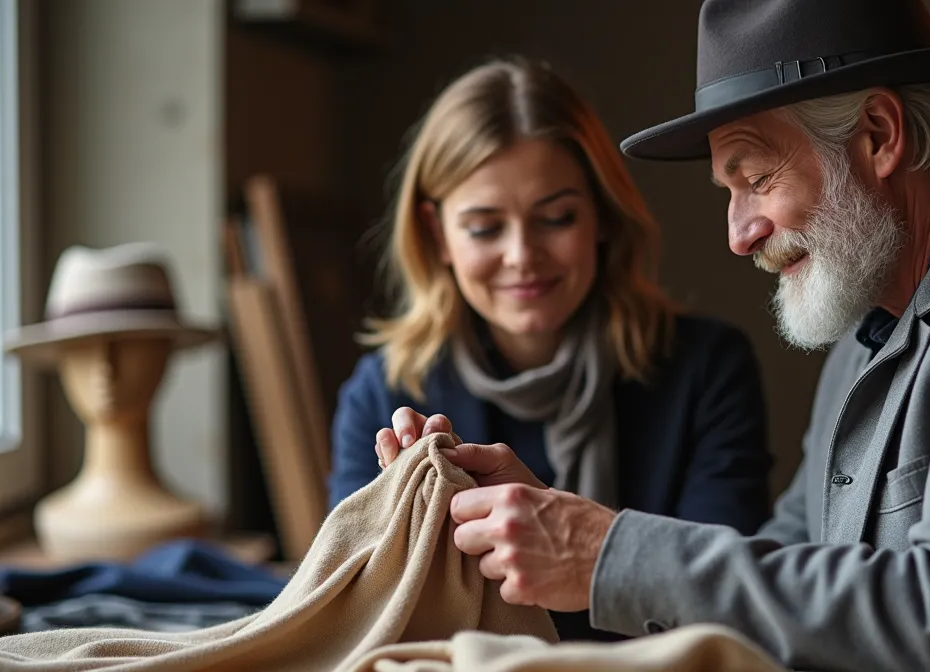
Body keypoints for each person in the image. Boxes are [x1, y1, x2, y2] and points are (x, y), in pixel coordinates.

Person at [377, 1, 930, 670]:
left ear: (881, 136)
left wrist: (604, 553)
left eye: (757, 177)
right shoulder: (877, 317)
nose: (739, 232)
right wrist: (551, 526)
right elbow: (789, 564)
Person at [328, 57, 775, 642]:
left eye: (556, 217)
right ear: (438, 235)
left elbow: (727, 611)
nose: (522, 255)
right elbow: (362, 618)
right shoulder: (386, 391)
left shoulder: (708, 369)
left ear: (602, 217)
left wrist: (576, 548)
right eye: (486, 228)